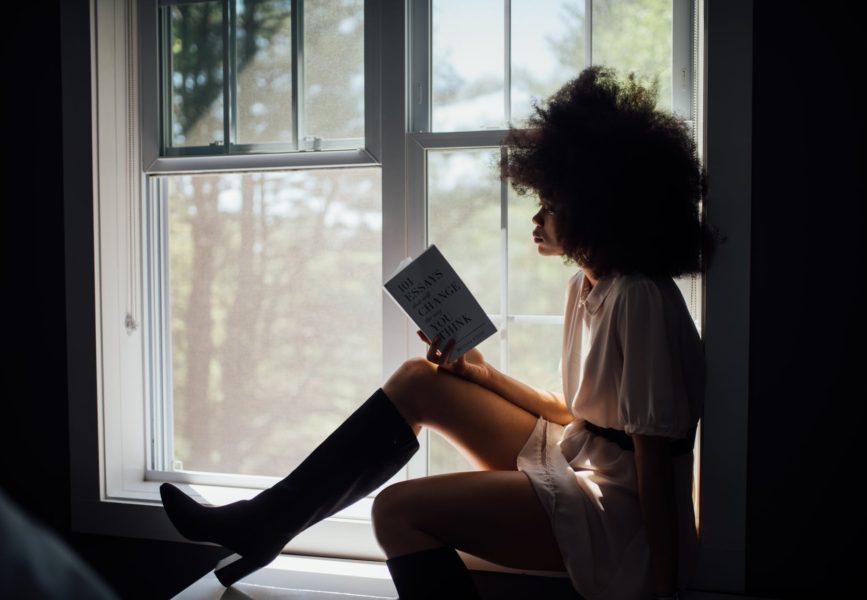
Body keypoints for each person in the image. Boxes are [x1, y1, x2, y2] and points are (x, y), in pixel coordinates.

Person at [160, 66, 716, 600]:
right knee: (419, 381)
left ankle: (262, 525)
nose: (536, 218)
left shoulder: (640, 296)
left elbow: (651, 454)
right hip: (578, 456)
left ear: (597, 210)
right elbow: (572, 412)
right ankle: (264, 523)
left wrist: (663, 589)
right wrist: (479, 373)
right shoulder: (586, 286)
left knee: (395, 512)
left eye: (551, 204)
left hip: (619, 514)